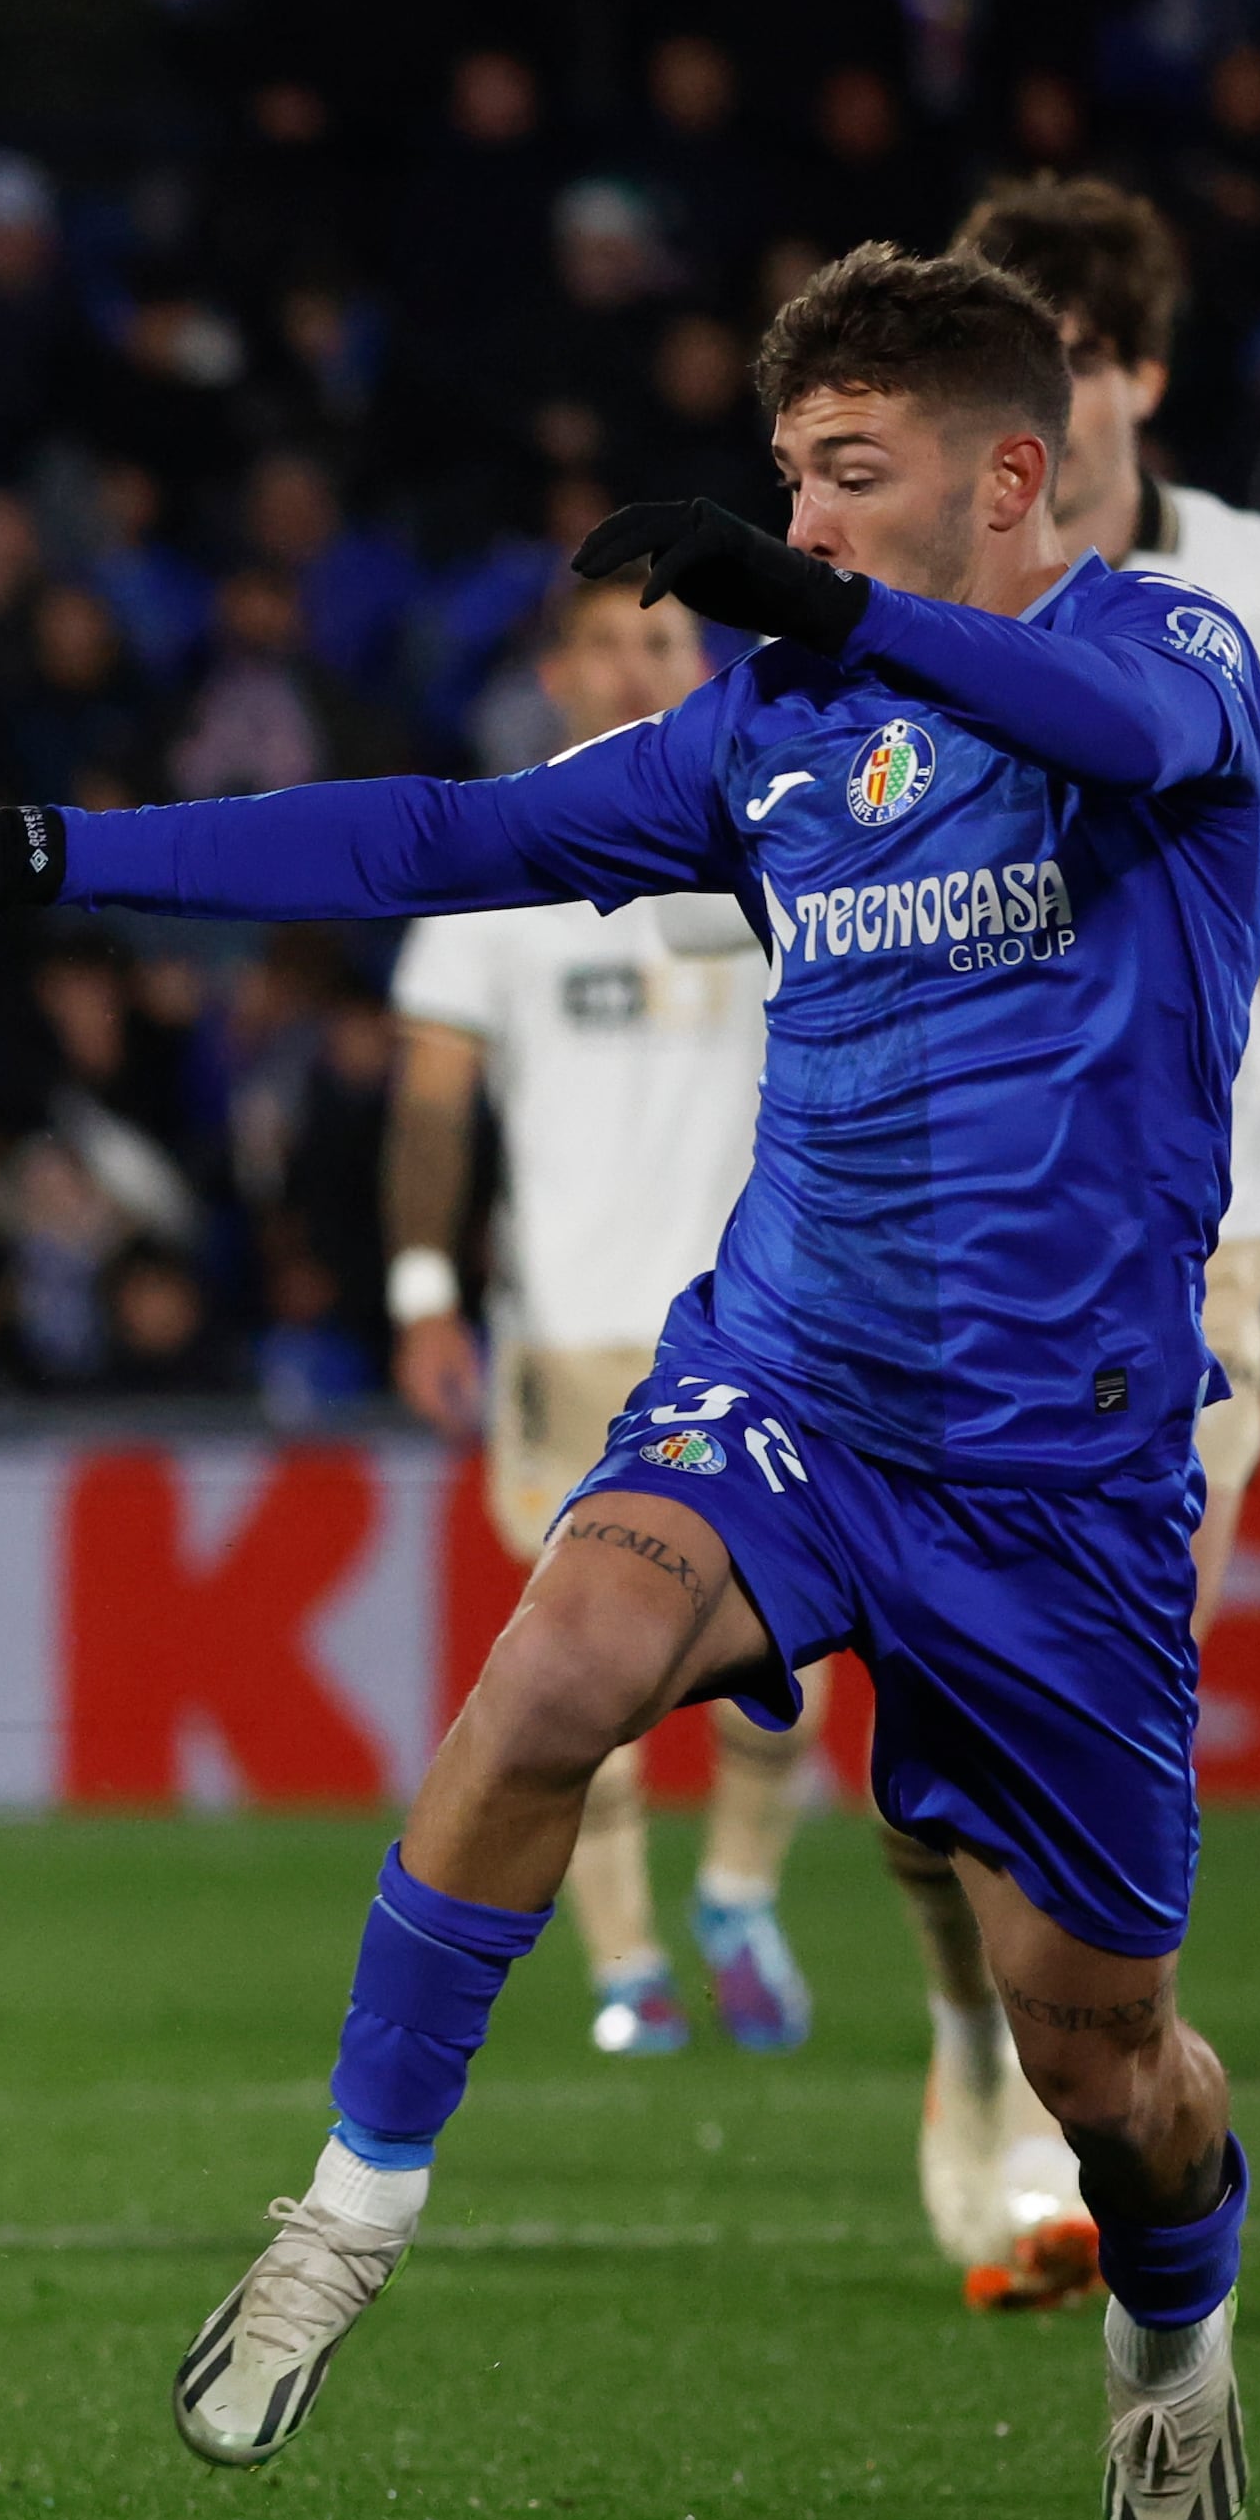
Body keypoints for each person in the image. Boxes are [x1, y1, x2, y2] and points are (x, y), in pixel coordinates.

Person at [0, 243, 1260, 2520]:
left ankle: (1176, 2321)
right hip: (792, 1384)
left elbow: (1108, 744)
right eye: (786, 477)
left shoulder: (1161, 660)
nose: (795, 526)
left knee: (1101, 2053)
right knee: (558, 1677)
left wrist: (850, 623)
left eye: (850, 476)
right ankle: (347, 2214)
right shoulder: (778, 742)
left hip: (1063, 1476)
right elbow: (431, 842)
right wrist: (53, 855)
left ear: (1010, 477)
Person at [925, 174, 1260, 2305]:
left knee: (1111, 1662)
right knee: (943, 1701)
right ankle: (995, 2051)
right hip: (939, 1213)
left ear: (1134, 371)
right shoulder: (935, 586)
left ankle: (1088, 2109)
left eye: (1057, 345)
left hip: (1179, 1228)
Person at [383, 578, 831, 2066]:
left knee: (795, 1662)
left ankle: (739, 1899)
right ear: (560, 668)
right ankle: (628, 1966)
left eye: (664, 643)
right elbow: (432, 1102)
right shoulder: (500, 854)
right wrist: (424, 1290)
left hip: (769, 1318)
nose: (637, 666)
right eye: (609, 645)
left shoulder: (778, 827)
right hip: (570, 1325)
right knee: (576, 1664)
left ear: (700, 663)